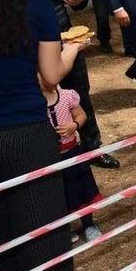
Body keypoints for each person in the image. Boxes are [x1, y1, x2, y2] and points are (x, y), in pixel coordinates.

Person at [7, 0, 119, 171]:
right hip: (31, 57)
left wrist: (78, 1)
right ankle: (51, 157)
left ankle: (93, 149)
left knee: (80, 98)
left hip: (67, 49)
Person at [0, 0, 79, 271]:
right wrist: (72, 50)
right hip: (26, 136)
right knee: (44, 242)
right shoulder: (37, 8)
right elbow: (50, 74)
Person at [40, 79, 103, 242]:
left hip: (73, 153)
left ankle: (89, 224)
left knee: (82, 190)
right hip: (50, 158)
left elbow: (81, 114)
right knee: (60, 193)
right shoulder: (35, 104)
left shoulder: (67, 96)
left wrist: (74, 125)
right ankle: (65, 228)